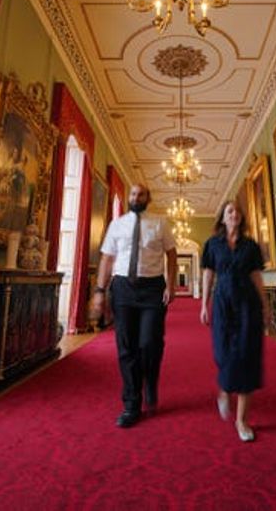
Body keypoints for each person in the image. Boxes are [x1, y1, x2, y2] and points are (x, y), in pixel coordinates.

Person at [93, 183, 177, 428]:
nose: (136, 197)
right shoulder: (117, 224)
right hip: (123, 288)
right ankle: (131, 404)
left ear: (148, 198)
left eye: (141, 194)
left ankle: (150, 379)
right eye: (132, 193)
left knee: (149, 343)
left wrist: (170, 285)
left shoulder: (160, 223)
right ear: (128, 197)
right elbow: (107, 258)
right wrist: (99, 291)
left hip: (152, 289)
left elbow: (172, 255)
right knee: (126, 347)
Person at [200, 200, 271, 442]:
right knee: (223, 354)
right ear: (222, 217)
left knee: (247, 356)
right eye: (230, 211)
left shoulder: (251, 246)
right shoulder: (212, 244)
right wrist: (204, 304)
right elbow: (208, 274)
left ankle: (242, 420)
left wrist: (265, 305)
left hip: (247, 304)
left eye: (238, 211)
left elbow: (256, 276)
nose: (234, 214)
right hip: (222, 303)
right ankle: (224, 387)